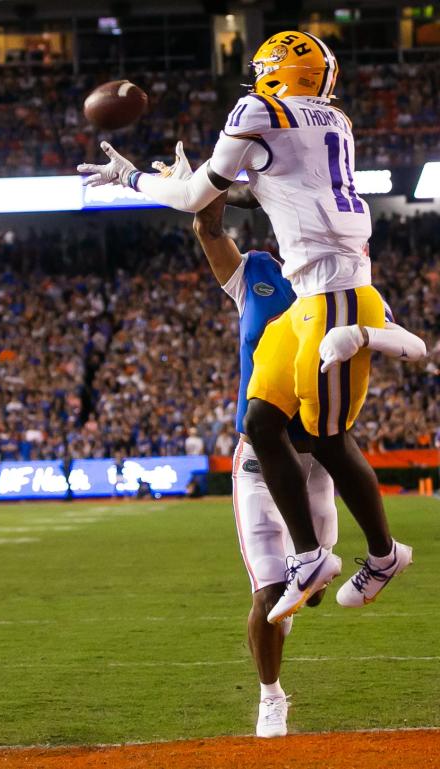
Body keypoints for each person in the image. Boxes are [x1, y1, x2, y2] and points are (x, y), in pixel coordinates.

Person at [77, 31, 424, 621]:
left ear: (279, 71)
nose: (256, 73)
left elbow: (194, 200)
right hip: (314, 289)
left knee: (326, 437)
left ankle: (386, 553)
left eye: (266, 65)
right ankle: (311, 556)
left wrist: (136, 179)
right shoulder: (333, 120)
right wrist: (213, 179)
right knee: (261, 420)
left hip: (332, 289)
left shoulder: (257, 108)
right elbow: (270, 187)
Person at [161, 144, 426, 737]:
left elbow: (399, 341)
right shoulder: (253, 271)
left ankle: (361, 560)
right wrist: (206, 181)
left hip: (318, 461)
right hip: (260, 459)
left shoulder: (343, 279)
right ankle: (270, 695)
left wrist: (357, 335)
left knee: (300, 595)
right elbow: (207, 226)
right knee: (272, 587)